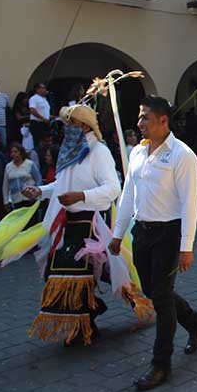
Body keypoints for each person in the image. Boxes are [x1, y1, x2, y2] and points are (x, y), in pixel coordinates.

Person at [110, 94, 197, 391]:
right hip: (141, 232)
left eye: (145, 118)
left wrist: (186, 246)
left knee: (162, 298)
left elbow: (189, 203)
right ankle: (194, 322)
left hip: (169, 234)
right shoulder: (138, 153)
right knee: (155, 291)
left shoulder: (182, 155)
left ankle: (160, 364)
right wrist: (118, 234)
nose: (139, 123)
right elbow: (129, 194)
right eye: (139, 117)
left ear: (163, 120)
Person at [19, 104, 121, 346]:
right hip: (66, 222)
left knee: (79, 276)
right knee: (57, 273)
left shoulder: (99, 151)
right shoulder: (69, 150)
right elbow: (60, 184)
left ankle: (85, 325)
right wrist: (40, 191)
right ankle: (88, 315)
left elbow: (113, 187)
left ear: (85, 126)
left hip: (90, 222)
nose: (68, 128)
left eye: (72, 123)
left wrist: (81, 196)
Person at [2, 143, 42, 211]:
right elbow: (5, 185)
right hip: (16, 199)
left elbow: (38, 180)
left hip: (30, 198)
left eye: (15, 152)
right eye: (11, 152)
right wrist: (6, 201)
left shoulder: (29, 164)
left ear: (21, 152)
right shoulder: (8, 166)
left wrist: (37, 195)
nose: (13, 154)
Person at [28, 83, 51, 147]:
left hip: (45, 123)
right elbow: (32, 110)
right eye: (43, 88)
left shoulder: (44, 99)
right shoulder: (34, 98)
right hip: (37, 123)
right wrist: (42, 118)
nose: (45, 90)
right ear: (37, 89)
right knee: (38, 142)